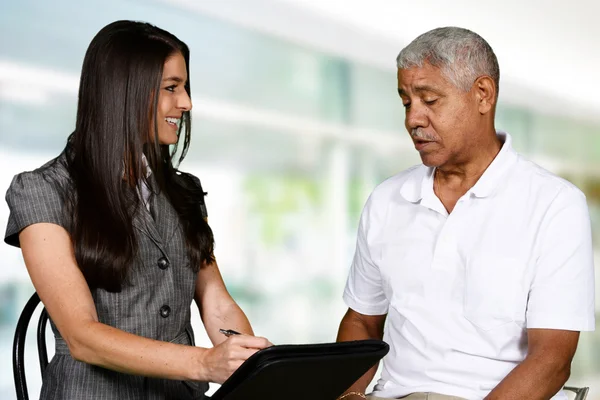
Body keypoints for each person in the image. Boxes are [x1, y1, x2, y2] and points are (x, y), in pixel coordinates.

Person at [4, 20, 270, 399]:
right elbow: (82, 337)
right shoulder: (43, 191)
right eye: (171, 88)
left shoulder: (185, 191)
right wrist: (204, 363)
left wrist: (257, 363)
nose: (187, 103)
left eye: (186, 88)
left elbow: (216, 301)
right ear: (125, 93)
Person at [336, 27, 595, 400]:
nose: (413, 119)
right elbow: (362, 320)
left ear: (483, 95)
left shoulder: (554, 205)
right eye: (407, 102)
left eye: (430, 100)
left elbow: (552, 358)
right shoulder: (387, 200)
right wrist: (346, 395)